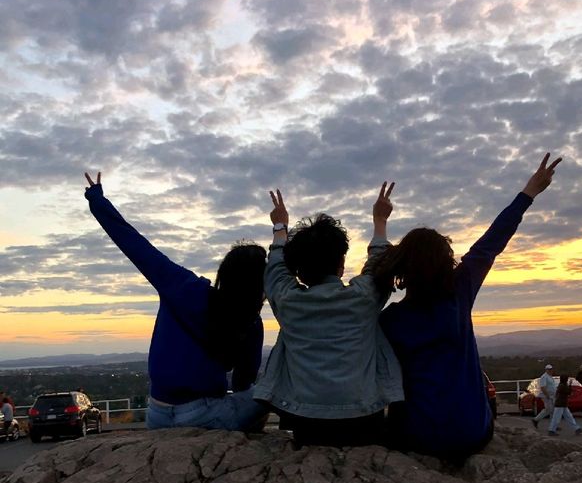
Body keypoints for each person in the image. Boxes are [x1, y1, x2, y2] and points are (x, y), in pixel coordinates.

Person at [374, 153, 562, 461]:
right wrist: (529, 192)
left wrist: (379, 224)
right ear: (445, 262)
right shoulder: (458, 293)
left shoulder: (390, 320)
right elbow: (491, 242)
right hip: (472, 434)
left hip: (416, 438)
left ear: (402, 269)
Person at [83, 172, 268, 431]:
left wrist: (97, 199)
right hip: (205, 415)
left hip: (157, 414)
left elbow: (135, 245)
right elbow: (242, 384)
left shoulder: (181, 286)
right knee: (266, 395)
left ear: (224, 272)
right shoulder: (249, 321)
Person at [254, 184, 404, 446]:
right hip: (364, 415)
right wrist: (380, 220)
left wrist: (280, 227)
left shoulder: (289, 302)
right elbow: (379, 262)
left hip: (305, 417)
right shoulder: (364, 298)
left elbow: (276, 268)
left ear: (298, 271)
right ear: (341, 264)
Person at [532, 364, 557, 429]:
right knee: (549, 409)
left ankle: (553, 425)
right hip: (546, 396)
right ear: (546, 370)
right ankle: (536, 420)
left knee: (552, 410)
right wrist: (547, 395)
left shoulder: (550, 377)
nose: (550, 370)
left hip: (551, 396)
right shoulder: (544, 377)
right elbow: (543, 387)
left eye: (551, 369)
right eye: (549, 369)